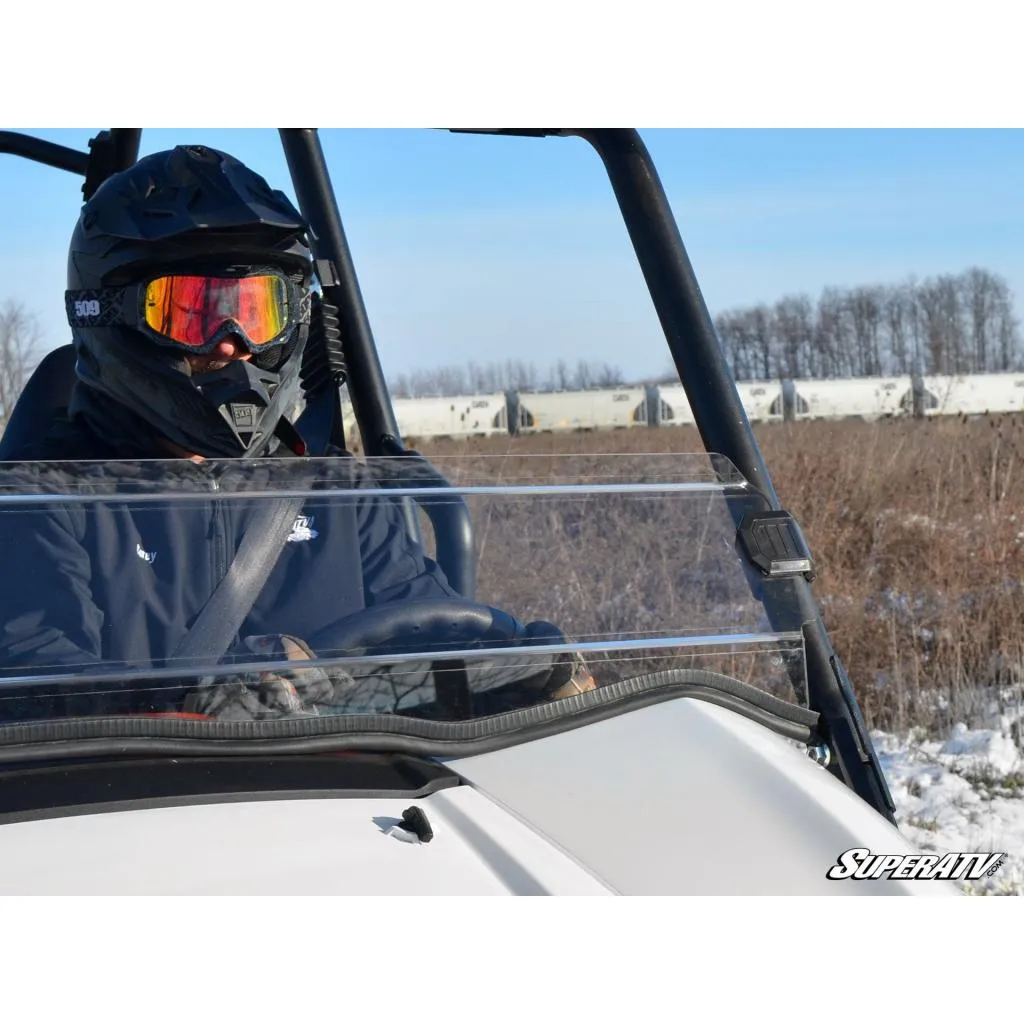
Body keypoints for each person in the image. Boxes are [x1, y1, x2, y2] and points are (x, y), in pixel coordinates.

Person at [0, 144, 593, 721]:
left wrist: (516, 674)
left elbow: (428, 629)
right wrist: (195, 701)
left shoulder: (336, 495)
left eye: (259, 310)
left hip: (352, 806)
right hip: (145, 804)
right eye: (192, 312)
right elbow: (40, 693)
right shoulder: (49, 499)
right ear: (108, 317)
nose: (233, 343)